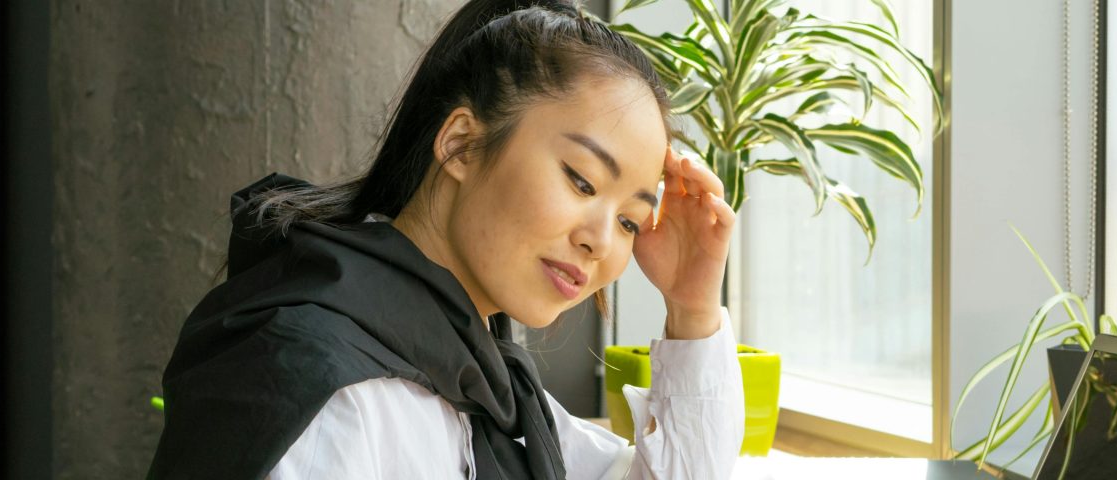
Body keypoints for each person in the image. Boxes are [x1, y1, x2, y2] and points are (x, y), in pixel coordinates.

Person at [145, 1, 744, 478]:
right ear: (459, 143)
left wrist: (692, 308)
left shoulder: (492, 394)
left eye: (629, 222)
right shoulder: (332, 394)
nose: (601, 243)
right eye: (582, 180)